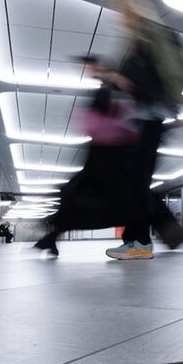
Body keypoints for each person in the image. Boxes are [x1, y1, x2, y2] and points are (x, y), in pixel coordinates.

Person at [102, 0, 183, 261]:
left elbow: (159, 76)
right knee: (135, 181)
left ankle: (139, 241)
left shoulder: (148, 37)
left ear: (131, 13)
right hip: (146, 117)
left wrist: (123, 79)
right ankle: (141, 239)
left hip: (149, 117)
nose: (120, 20)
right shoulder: (143, 39)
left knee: (135, 182)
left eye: (122, 14)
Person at [31, 57, 136, 257]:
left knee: (91, 199)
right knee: (90, 200)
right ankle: (51, 237)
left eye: (90, 66)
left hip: (107, 156)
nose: (88, 70)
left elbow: (106, 116)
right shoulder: (108, 91)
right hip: (105, 156)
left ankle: (51, 236)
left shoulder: (112, 90)